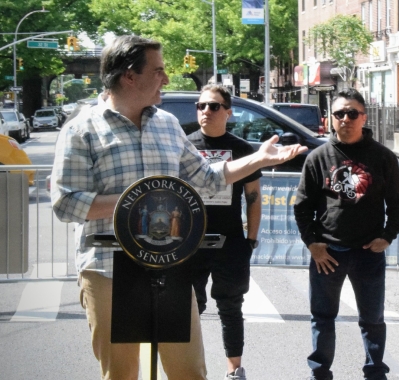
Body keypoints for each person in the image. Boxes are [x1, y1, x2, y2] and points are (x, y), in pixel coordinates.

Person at [50, 35, 305, 380]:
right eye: (158, 71)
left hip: (169, 265)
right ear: (129, 76)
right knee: (122, 374)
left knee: (189, 373)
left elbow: (206, 179)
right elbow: (66, 203)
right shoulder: (81, 129)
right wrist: (138, 200)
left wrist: (256, 160)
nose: (167, 79)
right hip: (108, 268)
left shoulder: (168, 124)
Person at [293, 88, 399, 380]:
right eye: (339, 113)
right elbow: (302, 206)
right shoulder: (318, 157)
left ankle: (375, 371)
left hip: (368, 253)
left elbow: (397, 202)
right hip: (328, 254)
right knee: (322, 318)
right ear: (330, 119)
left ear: (363, 117)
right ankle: (319, 372)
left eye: (352, 113)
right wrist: (313, 244)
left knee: (372, 320)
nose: (345, 118)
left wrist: (388, 236)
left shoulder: (382, 157)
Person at [187, 84, 262, 380]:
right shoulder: (186, 145)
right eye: (201, 106)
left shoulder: (242, 149)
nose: (206, 111)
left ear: (228, 112)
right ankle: (188, 367)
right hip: (190, 242)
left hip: (230, 242)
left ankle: (234, 369)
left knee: (230, 307)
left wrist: (251, 240)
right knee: (189, 306)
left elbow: (253, 197)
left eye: (214, 106)